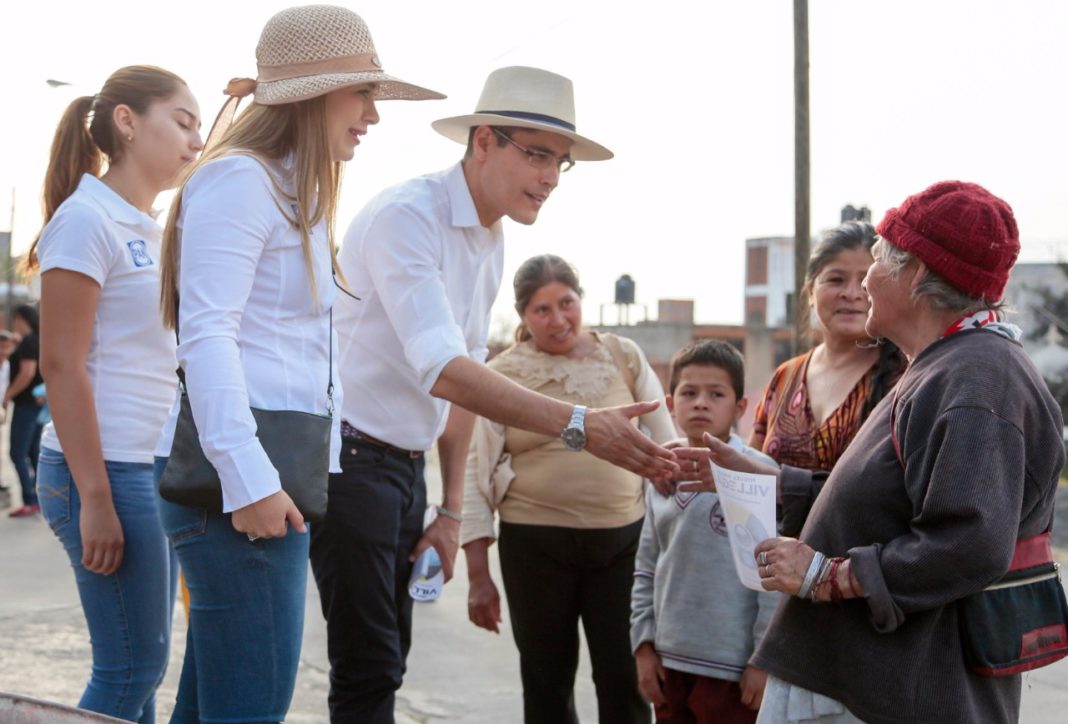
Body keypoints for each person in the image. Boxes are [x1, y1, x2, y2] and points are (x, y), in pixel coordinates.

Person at [312, 67, 678, 722]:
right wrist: (581, 424)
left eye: (559, 163)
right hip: (349, 458)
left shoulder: (489, 235)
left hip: (400, 469)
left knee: (388, 659)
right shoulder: (407, 217)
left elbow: (462, 382)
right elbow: (444, 369)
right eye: (535, 153)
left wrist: (450, 511)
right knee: (368, 668)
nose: (548, 176)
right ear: (483, 141)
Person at [154, 6, 442, 722]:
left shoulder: (291, 191)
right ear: (316, 94)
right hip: (240, 489)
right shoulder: (242, 182)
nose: (372, 115)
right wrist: (248, 481)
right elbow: (207, 333)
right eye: (363, 94)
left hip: (269, 478)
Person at [685, 182, 1064, 723]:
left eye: (880, 257)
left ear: (916, 275)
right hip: (863, 681)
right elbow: (891, 502)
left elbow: (969, 543)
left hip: (895, 693)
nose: (865, 278)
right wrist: (774, 483)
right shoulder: (947, 365)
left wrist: (826, 575)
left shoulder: (978, 379)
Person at [26, 65, 203, 722]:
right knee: (132, 664)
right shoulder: (86, 218)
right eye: (182, 122)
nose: (195, 140)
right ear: (127, 122)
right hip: (100, 471)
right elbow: (61, 365)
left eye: (200, 128)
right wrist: (94, 496)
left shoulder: (149, 227)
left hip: (146, 465)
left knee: (142, 668)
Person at [460, 255, 676, 724]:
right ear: (523, 316)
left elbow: (667, 440)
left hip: (624, 546)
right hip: (534, 546)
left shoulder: (623, 355)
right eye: (542, 310)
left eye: (567, 303)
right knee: (547, 683)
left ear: (581, 300)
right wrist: (478, 575)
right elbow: (476, 475)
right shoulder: (501, 374)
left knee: (625, 680)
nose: (558, 319)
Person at [631, 340, 779, 724]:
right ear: (670, 402)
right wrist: (643, 646)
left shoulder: (756, 474)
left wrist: (763, 659)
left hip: (732, 669)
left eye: (716, 394)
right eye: (689, 392)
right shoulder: (660, 474)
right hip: (668, 663)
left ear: (740, 407)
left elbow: (773, 578)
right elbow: (646, 566)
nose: (701, 403)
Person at [749, 221, 903, 471]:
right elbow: (748, 471)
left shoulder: (904, 379)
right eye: (836, 279)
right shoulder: (785, 377)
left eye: (865, 280)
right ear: (810, 291)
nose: (851, 293)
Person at [6, 305, 45, 517]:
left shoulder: (29, 341)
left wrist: (7, 395)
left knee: (18, 452)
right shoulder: (35, 339)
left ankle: (30, 500)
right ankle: (40, 499)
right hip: (35, 404)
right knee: (33, 452)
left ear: (20, 318)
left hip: (26, 404)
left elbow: (27, 373)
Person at [0, 330, 16, 507]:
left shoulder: (7, 366)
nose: (3, 351)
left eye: (7, 348)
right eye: (1, 347)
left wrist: (4, 410)